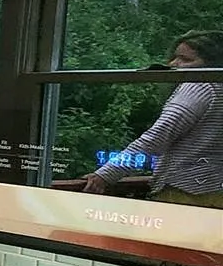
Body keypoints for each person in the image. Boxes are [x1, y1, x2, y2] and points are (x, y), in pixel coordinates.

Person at [58, 30, 223, 208]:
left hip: (185, 194)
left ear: (211, 64)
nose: (173, 64)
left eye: (186, 60)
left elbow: (157, 136)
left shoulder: (199, 87)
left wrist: (106, 174)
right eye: (175, 57)